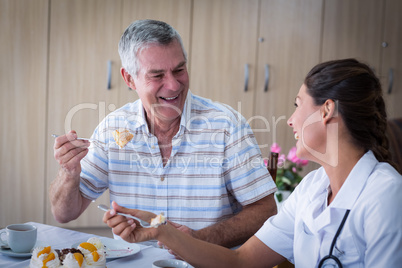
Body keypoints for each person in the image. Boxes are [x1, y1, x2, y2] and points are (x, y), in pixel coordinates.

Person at [101, 58, 402, 267]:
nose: (291, 119)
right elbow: (241, 261)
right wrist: (159, 231)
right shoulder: (313, 188)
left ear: (326, 111)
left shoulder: (386, 196)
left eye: (298, 105)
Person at [50, 19, 277, 249]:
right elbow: (64, 213)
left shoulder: (227, 126)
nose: (173, 85)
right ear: (129, 78)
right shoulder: (113, 129)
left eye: (179, 70)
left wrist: (199, 240)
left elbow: (265, 210)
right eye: (157, 76)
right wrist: (68, 173)